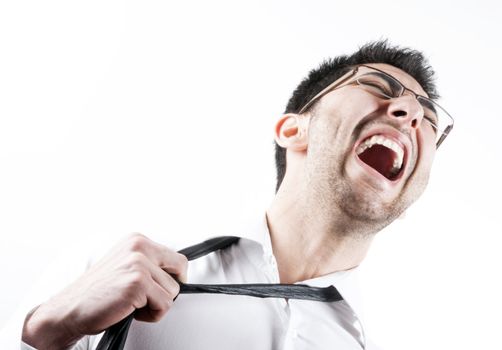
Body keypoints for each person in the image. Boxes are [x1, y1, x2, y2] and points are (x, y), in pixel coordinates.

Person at [2, 40, 453, 349]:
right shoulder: (116, 267)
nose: (411, 112)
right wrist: (48, 329)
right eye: (376, 86)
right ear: (293, 130)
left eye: (429, 120)